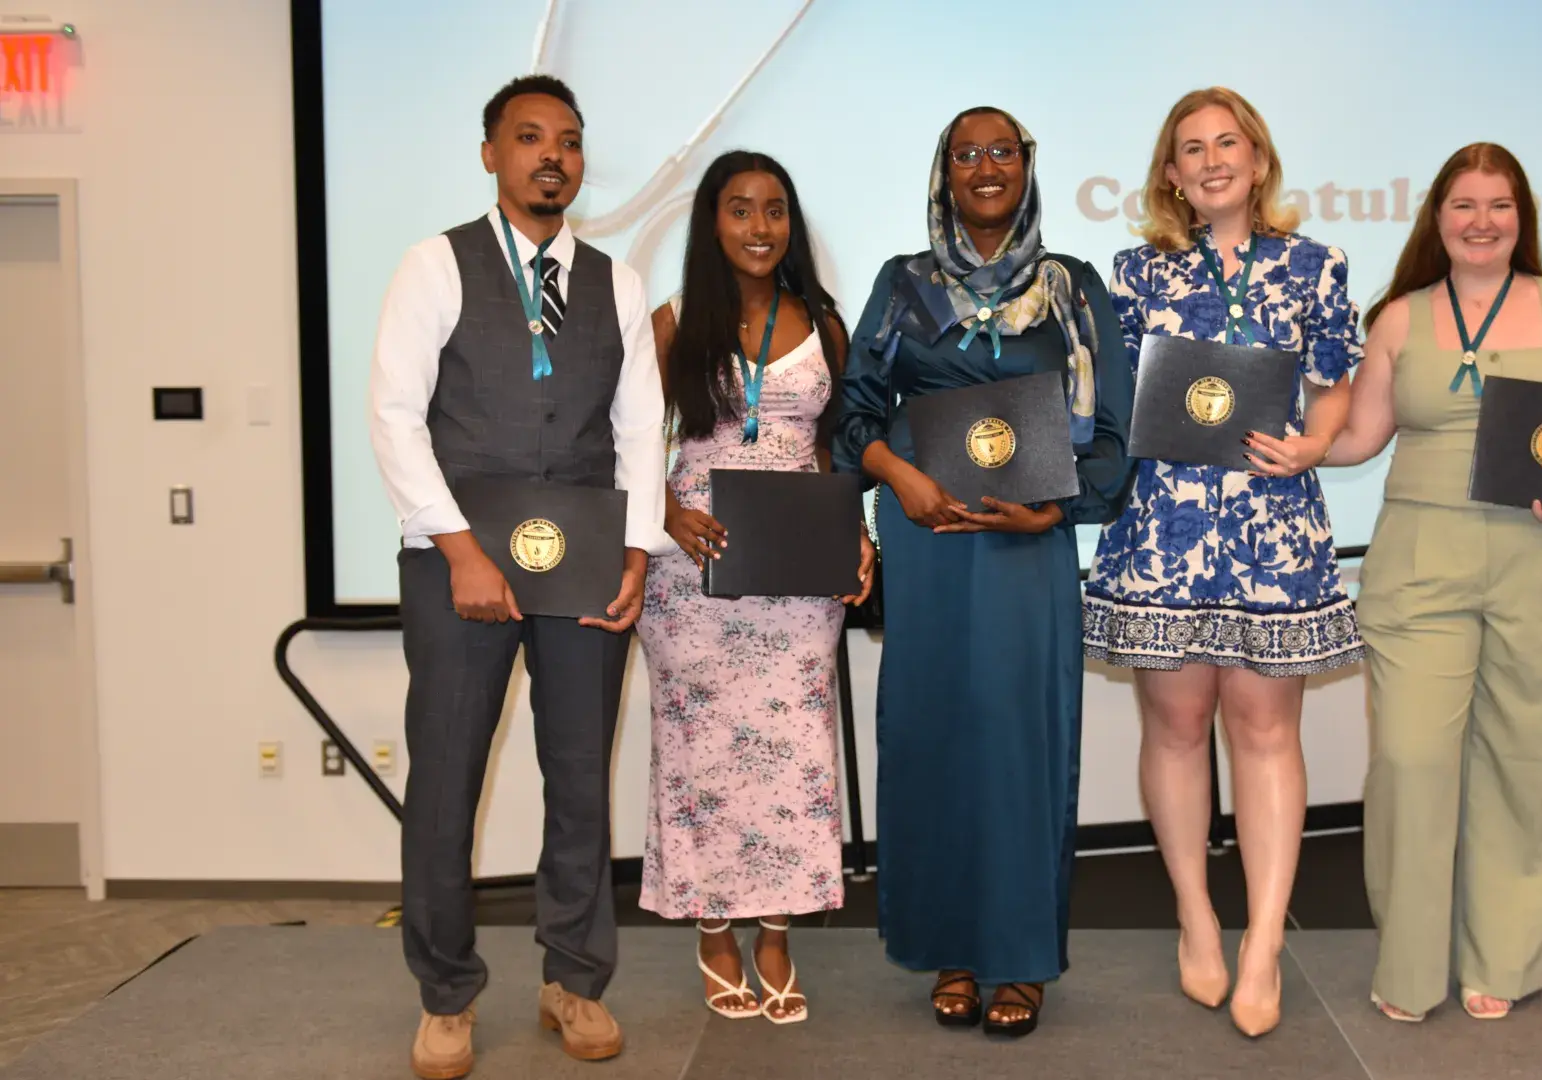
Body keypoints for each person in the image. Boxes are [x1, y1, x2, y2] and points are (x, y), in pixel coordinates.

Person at [367, 75, 667, 1079]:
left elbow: (639, 431)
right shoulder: (434, 264)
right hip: (457, 562)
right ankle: (446, 994)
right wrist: (459, 550)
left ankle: (574, 981)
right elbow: (394, 415)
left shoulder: (618, 284)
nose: (553, 156)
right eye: (530, 137)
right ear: (491, 153)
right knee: (446, 781)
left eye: (569, 141)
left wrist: (636, 555)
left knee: (579, 779)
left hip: (584, 563)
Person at [832, 105, 1134, 1038]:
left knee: (1018, 745)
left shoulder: (1073, 288)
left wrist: (1054, 510)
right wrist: (901, 480)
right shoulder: (904, 285)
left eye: (1003, 150)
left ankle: (1019, 955)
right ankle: (950, 949)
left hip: (1026, 545)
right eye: (967, 153)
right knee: (933, 738)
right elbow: (853, 413)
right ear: (945, 174)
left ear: (1027, 167)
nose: (986, 166)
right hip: (926, 539)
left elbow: (1115, 434)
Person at [1080, 86, 1364, 1039]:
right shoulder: (1133, 273)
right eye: (1192, 148)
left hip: (1274, 530)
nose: (1211, 161)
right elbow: (1109, 401)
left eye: (1227, 142)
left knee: (1267, 732)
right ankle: (1197, 917)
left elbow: (1333, 385)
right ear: (1171, 174)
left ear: (1258, 157)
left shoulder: (1316, 265)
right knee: (1175, 726)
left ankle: (1264, 943)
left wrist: (1315, 442)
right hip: (1162, 530)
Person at [1323, 142, 1542, 1022]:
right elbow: (1358, 438)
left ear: (1522, 217)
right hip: (1421, 561)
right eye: (1464, 204)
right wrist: (1282, 434)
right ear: (1438, 216)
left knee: (1532, 760)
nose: (1482, 221)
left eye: (1499, 205)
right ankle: (1411, 967)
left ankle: (1504, 957)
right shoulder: (1399, 318)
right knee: (1410, 759)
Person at [634, 150, 873, 1026]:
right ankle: (712, 928)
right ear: (712, 221)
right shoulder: (672, 322)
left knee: (795, 754)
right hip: (693, 568)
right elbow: (628, 440)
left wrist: (856, 534)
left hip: (799, 572)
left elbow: (835, 448)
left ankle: (775, 932)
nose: (760, 227)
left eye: (775, 210)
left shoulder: (825, 323)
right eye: (740, 209)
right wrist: (665, 511)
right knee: (701, 755)